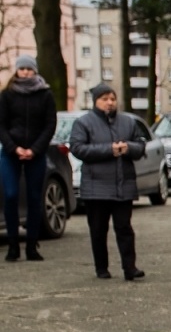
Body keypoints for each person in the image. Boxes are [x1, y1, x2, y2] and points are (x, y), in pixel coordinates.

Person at [70, 83, 146, 281]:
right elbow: (77, 148)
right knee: (98, 229)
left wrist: (127, 147)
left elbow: (140, 146)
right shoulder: (83, 123)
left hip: (123, 185)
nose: (110, 103)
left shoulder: (128, 123)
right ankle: (101, 268)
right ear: (96, 101)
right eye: (105, 99)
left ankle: (130, 268)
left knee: (124, 228)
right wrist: (108, 150)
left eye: (112, 99)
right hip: (96, 187)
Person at [0, 54, 56, 263]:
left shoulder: (45, 94)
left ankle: (32, 245)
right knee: (11, 194)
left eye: (29, 69)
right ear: (17, 70)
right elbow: (1, 125)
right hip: (10, 152)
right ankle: (13, 244)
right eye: (22, 69)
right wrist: (14, 148)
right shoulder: (7, 94)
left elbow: (50, 124)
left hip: (36, 152)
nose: (25, 72)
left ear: (35, 70)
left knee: (34, 197)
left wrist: (34, 149)